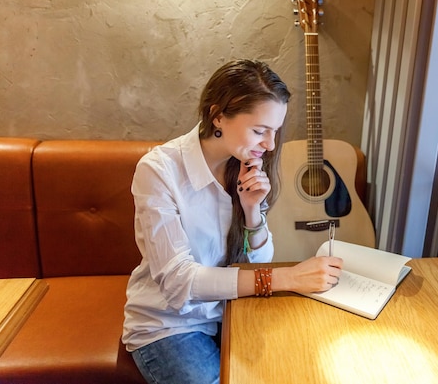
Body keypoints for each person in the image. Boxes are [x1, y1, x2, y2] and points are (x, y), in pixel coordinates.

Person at [122, 59, 343, 384]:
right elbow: (179, 282)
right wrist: (286, 278)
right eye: (259, 131)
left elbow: (257, 262)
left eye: (275, 132)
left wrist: (252, 211)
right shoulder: (159, 171)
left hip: (233, 311)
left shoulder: (243, 166)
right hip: (170, 324)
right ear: (218, 116)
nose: (269, 145)